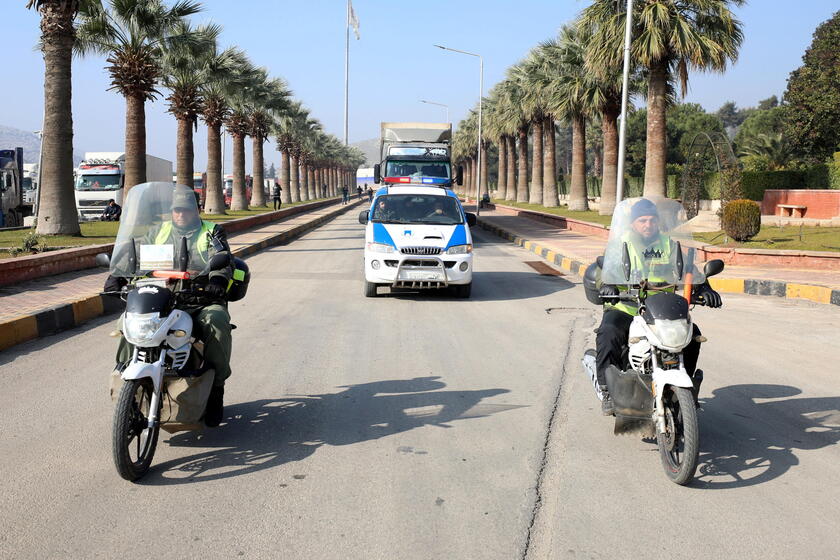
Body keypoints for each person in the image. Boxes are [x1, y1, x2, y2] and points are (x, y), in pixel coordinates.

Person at [104, 188, 234, 427]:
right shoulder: (158, 231)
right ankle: (125, 381)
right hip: (161, 298)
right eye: (177, 210)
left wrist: (217, 281)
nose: (181, 214)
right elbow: (133, 252)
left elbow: (223, 257)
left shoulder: (212, 232)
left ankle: (216, 389)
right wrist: (117, 274)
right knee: (127, 323)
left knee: (216, 322)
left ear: (197, 209)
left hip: (199, 299)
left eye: (186, 209)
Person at [595, 198, 722, 416]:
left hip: (661, 308)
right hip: (627, 306)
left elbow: (691, 270)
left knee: (691, 337)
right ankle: (608, 390)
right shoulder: (621, 244)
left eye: (652, 220)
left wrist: (705, 289)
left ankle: (685, 388)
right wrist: (606, 285)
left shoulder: (670, 245)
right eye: (642, 220)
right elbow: (605, 272)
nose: (647, 224)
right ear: (633, 223)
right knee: (609, 331)